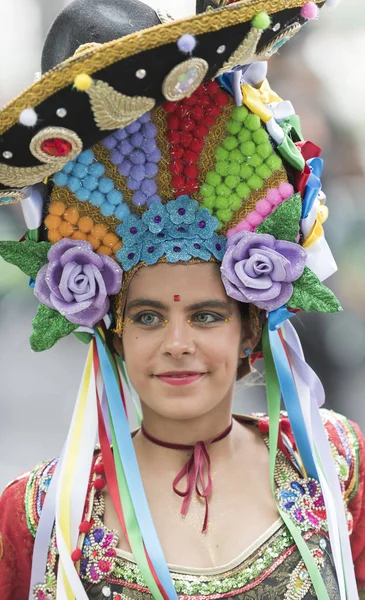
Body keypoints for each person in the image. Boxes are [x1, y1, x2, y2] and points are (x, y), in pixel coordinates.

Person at [0, 0, 364, 599]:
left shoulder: (335, 466)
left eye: (207, 315)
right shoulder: (41, 520)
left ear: (251, 327)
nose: (177, 344)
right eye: (148, 316)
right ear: (109, 327)